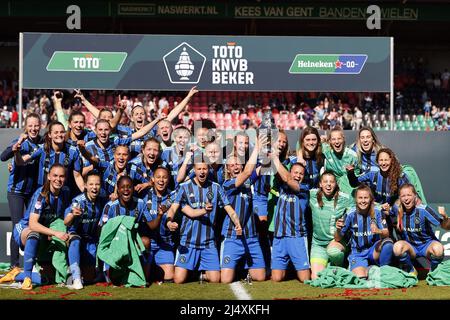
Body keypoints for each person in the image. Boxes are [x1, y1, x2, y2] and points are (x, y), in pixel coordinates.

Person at [167, 159, 242, 284]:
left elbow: (230, 209)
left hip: (208, 243)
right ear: (194, 170)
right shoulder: (185, 187)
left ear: (209, 170)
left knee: (215, 279)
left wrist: (237, 224)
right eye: (199, 169)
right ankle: (193, 270)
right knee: (179, 279)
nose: (202, 172)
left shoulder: (216, 188)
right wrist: (169, 222)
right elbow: (173, 209)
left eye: (204, 169)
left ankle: (201, 275)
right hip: (188, 242)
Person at [1, 164, 71, 290]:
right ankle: (27, 278)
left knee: (47, 278)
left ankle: (17, 274)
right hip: (25, 228)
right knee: (34, 234)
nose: (58, 179)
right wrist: (55, 233)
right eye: (55, 175)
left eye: (61, 176)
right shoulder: (41, 194)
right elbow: (33, 224)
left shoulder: (65, 192)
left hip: (45, 230)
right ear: (49, 176)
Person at [220, 135, 266, 283]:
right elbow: (247, 172)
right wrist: (257, 147)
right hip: (232, 236)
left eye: (238, 164)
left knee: (260, 277)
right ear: (227, 168)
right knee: (225, 280)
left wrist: (270, 153)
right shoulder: (226, 185)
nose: (235, 167)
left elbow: (259, 169)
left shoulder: (248, 181)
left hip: (251, 236)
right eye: (232, 165)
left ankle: (243, 270)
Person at [0, 113, 43, 270]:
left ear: (41, 125)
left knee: (35, 225)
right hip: (16, 191)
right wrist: (15, 147)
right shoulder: (21, 142)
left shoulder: (44, 142)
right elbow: (3, 157)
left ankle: (37, 264)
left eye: (36, 125)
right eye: (30, 125)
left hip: (33, 193)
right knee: (18, 226)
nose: (33, 128)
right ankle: (14, 265)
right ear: (26, 126)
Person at [99, 175, 151, 284]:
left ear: (133, 188)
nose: (126, 190)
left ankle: (143, 277)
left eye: (129, 187)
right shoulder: (110, 206)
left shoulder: (140, 203)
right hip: (115, 244)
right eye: (122, 187)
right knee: (114, 281)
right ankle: (111, 269)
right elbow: (102, 231)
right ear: (118, 189)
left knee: (146, 241)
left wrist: (160, 215)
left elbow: (151, 225)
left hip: (132, 243)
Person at [335, 185, 393, 278]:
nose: (363, 201)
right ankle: (369, 269)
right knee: (360, 278)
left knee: (388, 244)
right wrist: (338, 229)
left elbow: (387, 234)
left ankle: (384, 273)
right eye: (360, 198)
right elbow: (337, 238)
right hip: (358, 253)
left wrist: (379, 231)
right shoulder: (350, 214)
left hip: (373, 250)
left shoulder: (377, 211)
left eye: (366, 198)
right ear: (356, 200)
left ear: (370, 199)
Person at [391, 184, 450, 275]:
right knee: (397, 247)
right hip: (411, 247)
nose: (406, 198)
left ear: (415, 196)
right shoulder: (397, 209)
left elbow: (446, 227)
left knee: (438, 249)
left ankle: (433, 271)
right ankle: (411, 270)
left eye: (409, 195)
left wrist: (445, 217)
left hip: (426, 245)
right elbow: (387, 212)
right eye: (403, 196)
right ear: (400, 198)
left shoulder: (423, 210)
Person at [12, 121, 84, 195]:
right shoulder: (41, 148)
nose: (59, 135)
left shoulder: (73, 151)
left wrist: (86, 193)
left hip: (64, 195)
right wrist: (16, 152)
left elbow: (77, 176)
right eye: (56, 132)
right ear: (50, 135)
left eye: (62, 132)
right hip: (43, 193)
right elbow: (21, 161)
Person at [64, 171, 107, 289]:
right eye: (91, 184)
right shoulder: (78, 201)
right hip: (75, 237)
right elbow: (66, 222)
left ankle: (98, 272)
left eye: (97, 184)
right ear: (86, 186)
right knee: (76, 240)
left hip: (91, 240)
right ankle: (76, 278)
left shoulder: (102, 198)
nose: (94, 187)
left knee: (89, 278)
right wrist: (72, 214)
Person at [270, 155, 310, 282]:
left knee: (305, 279)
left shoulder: (304, 189)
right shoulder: (283, 186)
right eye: (295, 172)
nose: (298, 175)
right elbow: (280, 174)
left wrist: (274, 157)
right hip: (279, 237)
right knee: (276, 278)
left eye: (301, 174)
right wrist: (269, 155)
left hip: (296, 237)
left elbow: (287, 178)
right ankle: (290, 267)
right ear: (290, 172)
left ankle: (296, 266)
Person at [309, 171, 353, 279]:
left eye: (331, 182)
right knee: (316, 277)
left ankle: (341, 265)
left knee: (333, 252)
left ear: (336, 183)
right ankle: (329, 266)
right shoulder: (312, 194)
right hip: (318, 244)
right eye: (325, 181)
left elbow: (360, 206)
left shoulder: (345, 198)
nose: (328, 184)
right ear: (320, 184)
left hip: (336, 242)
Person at [142, 166, 178, 283]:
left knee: (169, 277)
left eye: (164, 177)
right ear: (153, 179)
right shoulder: (144, 196)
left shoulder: (174, 196)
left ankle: (153, 268)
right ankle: (149, 267)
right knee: (143, 277)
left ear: (168, 180)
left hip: (165, 244)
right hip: (149, 244)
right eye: (158, 177)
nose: (161, 181)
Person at [347, 148, 410, 214]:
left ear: (391, 161)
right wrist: (350, 173)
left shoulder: (401, 177)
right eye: (381, 160)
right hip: (376, 211)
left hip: (393, 213)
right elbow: (354, 184)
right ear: (377, 161)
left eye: (386, 160)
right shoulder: (372, 174)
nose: (383, 163)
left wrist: (391, 209)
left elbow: (408, 195)